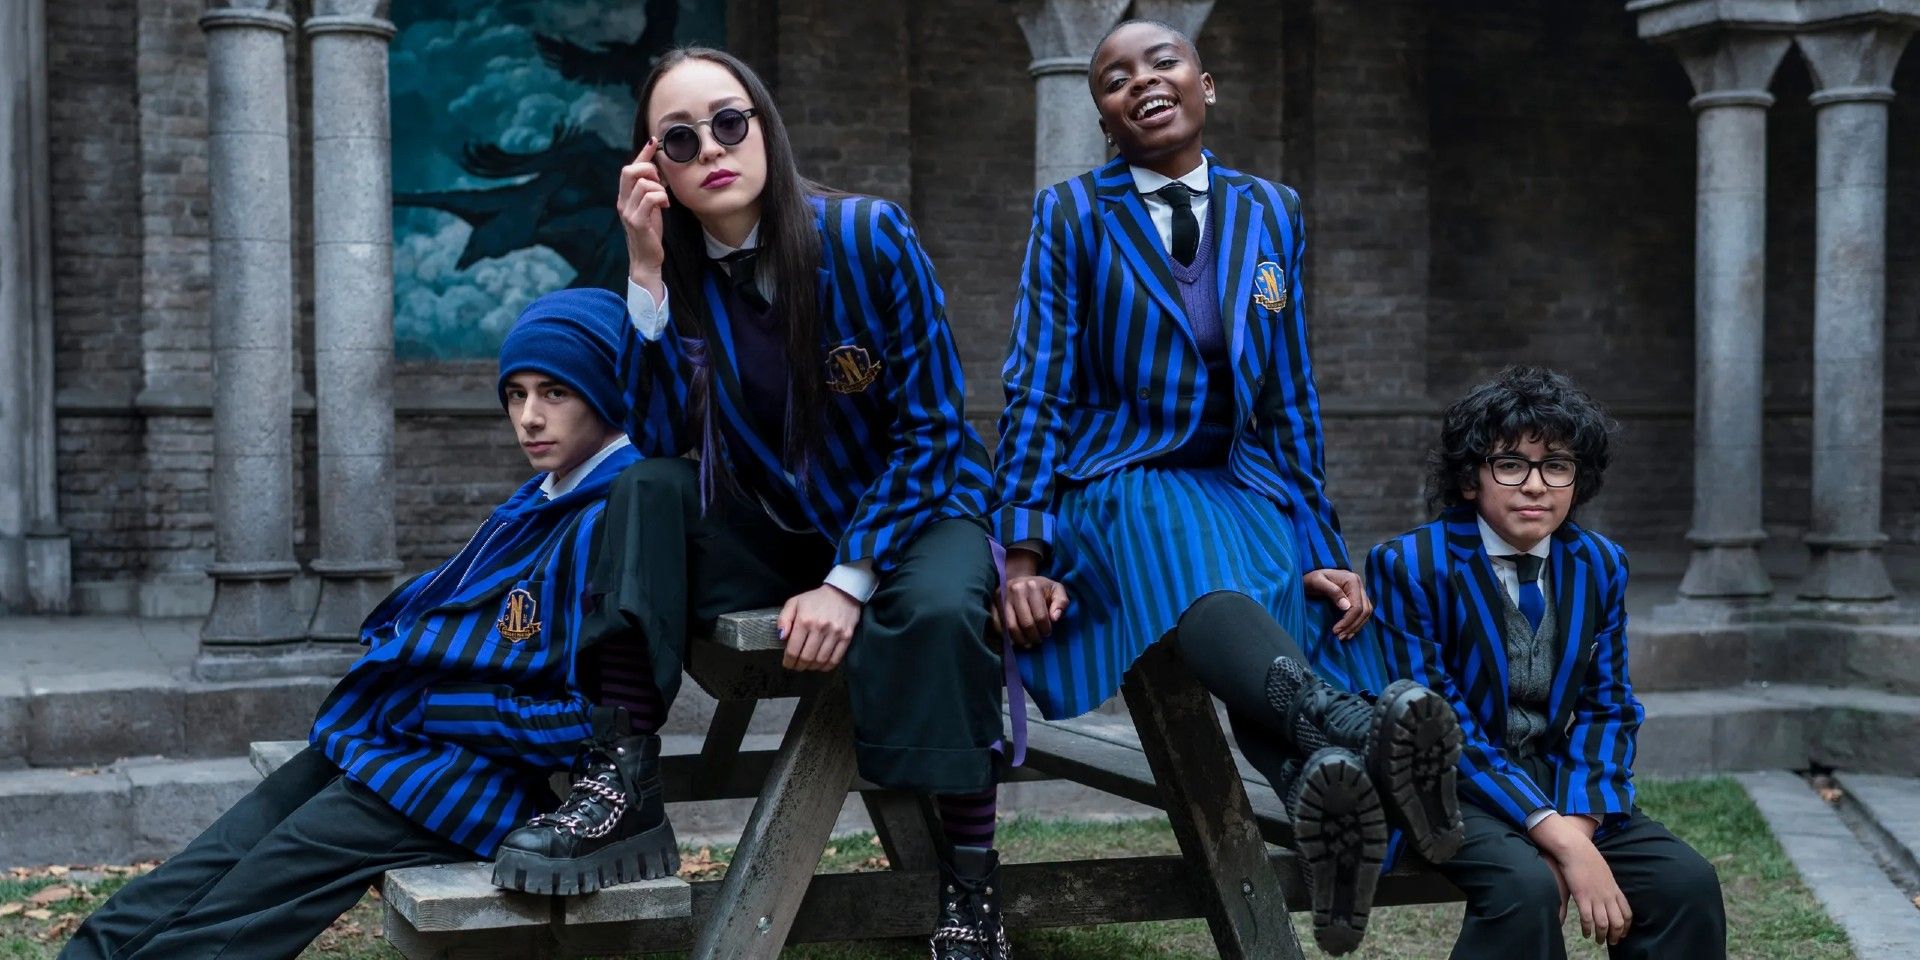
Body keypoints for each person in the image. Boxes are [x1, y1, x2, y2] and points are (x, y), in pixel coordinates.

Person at [501, 47, 1010, 960]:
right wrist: (646, 273)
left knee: (937, 608)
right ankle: (623, 776)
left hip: (918, 511)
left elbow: (933, 432)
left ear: (764, 124)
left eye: (729, 122)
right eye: (681, 139)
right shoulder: (681, 275)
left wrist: (849, 581)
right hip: (780, 524)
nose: (712, 149)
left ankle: (970, 887)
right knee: (644, 488)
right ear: (653, 168)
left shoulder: (867, 238)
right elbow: (657, 441)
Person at [989, 17, 1462, 955]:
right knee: (1188, 544)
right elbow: (1036, 387)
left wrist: (1324, 549)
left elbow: (1288, 396)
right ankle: (1355, 728)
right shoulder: (1074, 216)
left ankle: (1325, 797)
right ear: (1105, 121)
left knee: (1311, 604)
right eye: (1114, 79)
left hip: (1240, 482)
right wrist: (1024, 553)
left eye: (1162, 61)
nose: (1141, 81)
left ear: (1208, 85)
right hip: (1119, 483)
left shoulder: (1273, 211)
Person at [60, 290, 654, 959]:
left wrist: (438, 707)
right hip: (401, 744)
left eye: (554, 393)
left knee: (241, 909)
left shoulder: (613, 513)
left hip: (469, 785)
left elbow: (597, 726)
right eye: (515, 395)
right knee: (209, 863)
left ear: (605, 390)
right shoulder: (541, 496)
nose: (529, 417)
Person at [1369, 365, 1726, 959]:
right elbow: (1434, 724)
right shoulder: (1410, 566)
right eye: (1510, 464)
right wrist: (1549, 830)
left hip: (1561, 783)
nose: (1535, 485)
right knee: (1525, 888)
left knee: (1684, 883)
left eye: (1556, 465)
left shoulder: (1600, 563)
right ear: (1469, 479)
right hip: (1449, 787)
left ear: (1576, 481)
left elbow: (1607, 706)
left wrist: (1578, 831)